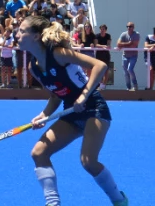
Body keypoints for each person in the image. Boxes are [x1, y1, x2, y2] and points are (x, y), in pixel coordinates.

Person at [18, 15, 127, 206]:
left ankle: (119, 200)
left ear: (35, 36)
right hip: (71, 113)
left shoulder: (59, 54)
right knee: (38, 153)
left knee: (88, 161)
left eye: (21, 31)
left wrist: (83, 96)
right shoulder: (33, 67)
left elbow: (99, 66)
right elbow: (55, 95)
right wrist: (44, 115)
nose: (16, 34)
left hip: (94, 109)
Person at [116, 22, 140, 91]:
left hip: (133, 55)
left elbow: (134, 46)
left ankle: (135, 86)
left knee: (130, 69)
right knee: (126, 72)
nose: (129, 28)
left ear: (133, 27)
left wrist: (122, 45)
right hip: (125, 56)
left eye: (130, 26)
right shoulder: (123, 34)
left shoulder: (136, 34)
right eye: (127, 26)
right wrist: (128, 43)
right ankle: (128, 88)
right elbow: (118, 44)